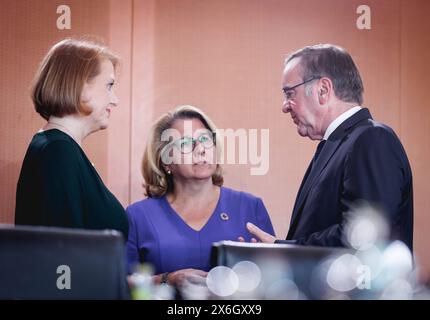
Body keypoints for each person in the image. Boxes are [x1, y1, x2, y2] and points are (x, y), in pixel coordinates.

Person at [246, 44, 413, 250]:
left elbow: (364, 237)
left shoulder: (372, 139)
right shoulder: (339, 144)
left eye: (290, 94)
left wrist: (285, 249)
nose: (285, 106)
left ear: (323, 90)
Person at [126, 105, 275, 286]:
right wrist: (166, 280)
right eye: (185, 143)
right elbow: (121, 284)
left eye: (205, 139)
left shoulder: (251, 207)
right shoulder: (138, 216)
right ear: (166, 161)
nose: (200, 150)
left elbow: (278, 280)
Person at [15, 38, 128, 239]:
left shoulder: (56, 147)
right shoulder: (58, 152)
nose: (115, 100)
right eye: (109, 85)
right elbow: (64, 255)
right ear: (80, 85)